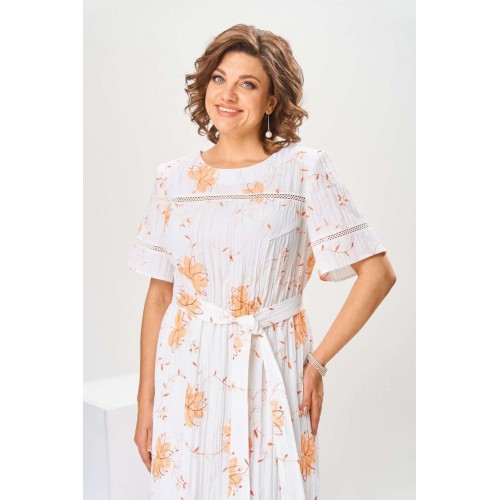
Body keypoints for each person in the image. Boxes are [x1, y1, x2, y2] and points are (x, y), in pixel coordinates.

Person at [127, 23, 396, 500]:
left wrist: (317, 363)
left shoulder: (304, 170)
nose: (227, 95)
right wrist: (145, 401)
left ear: (272, 100)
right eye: (219, 78)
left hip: (273, 362)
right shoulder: (172, 179)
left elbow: (377, 274)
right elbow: (159, 295)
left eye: (247, 84)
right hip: (186, 375)